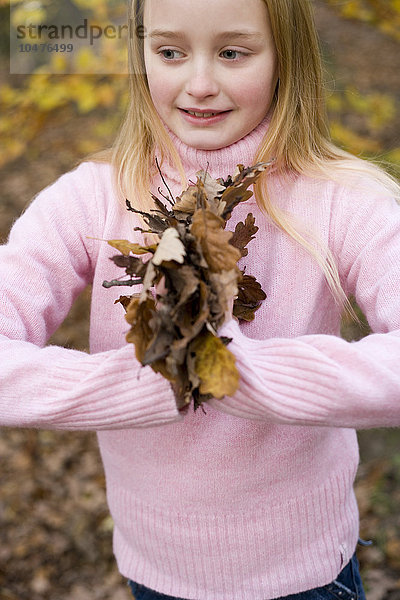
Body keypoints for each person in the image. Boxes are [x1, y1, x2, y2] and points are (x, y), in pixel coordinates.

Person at [1, 0, 400, 598]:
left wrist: (239, 373)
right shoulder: (90, 199)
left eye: (233, 52)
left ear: (286, 57)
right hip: (152, 573)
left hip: (304, 577)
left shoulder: (344, 201)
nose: (200, 84)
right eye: (170, 52)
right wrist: (150, 380)